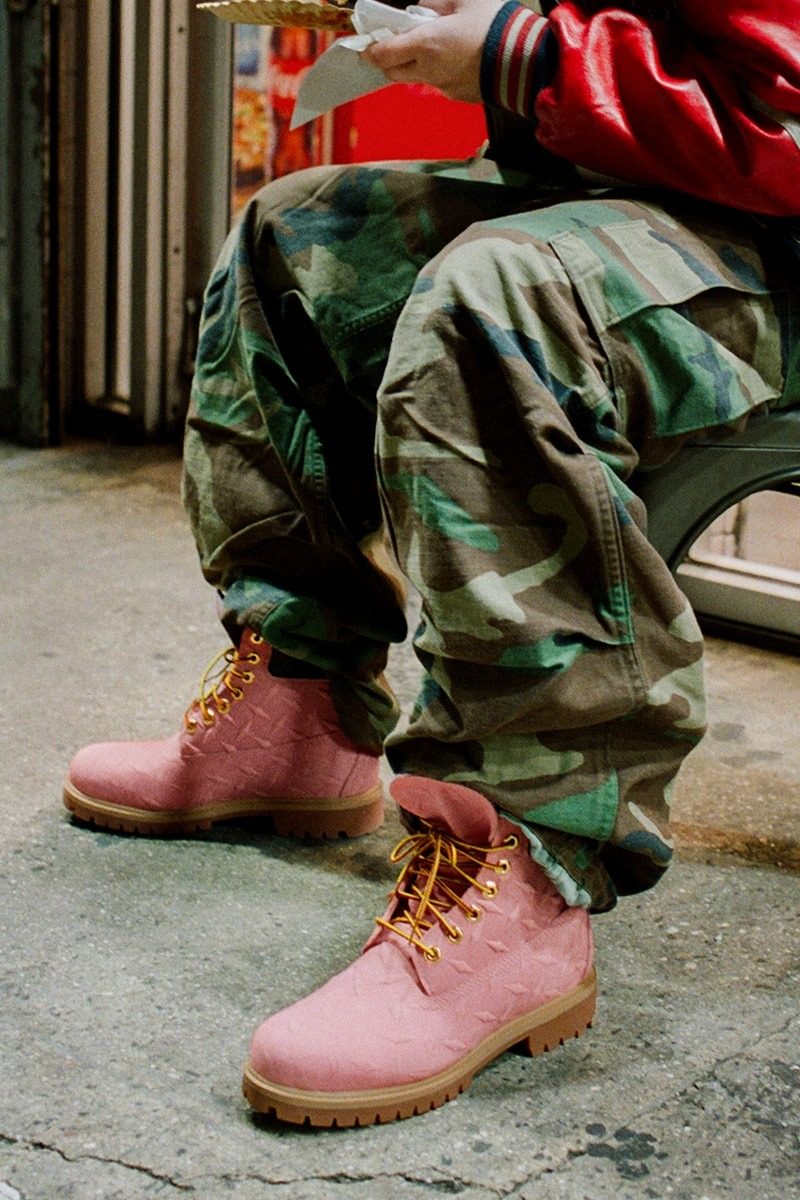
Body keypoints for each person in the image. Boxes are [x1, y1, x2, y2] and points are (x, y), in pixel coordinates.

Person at [64, 0, 800, 1127]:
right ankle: (299, 702)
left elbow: (775, 116)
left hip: (773, 231)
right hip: (651, 187)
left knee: (496, 298)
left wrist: (522, 52)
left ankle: (526, 860)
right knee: (295, 234)